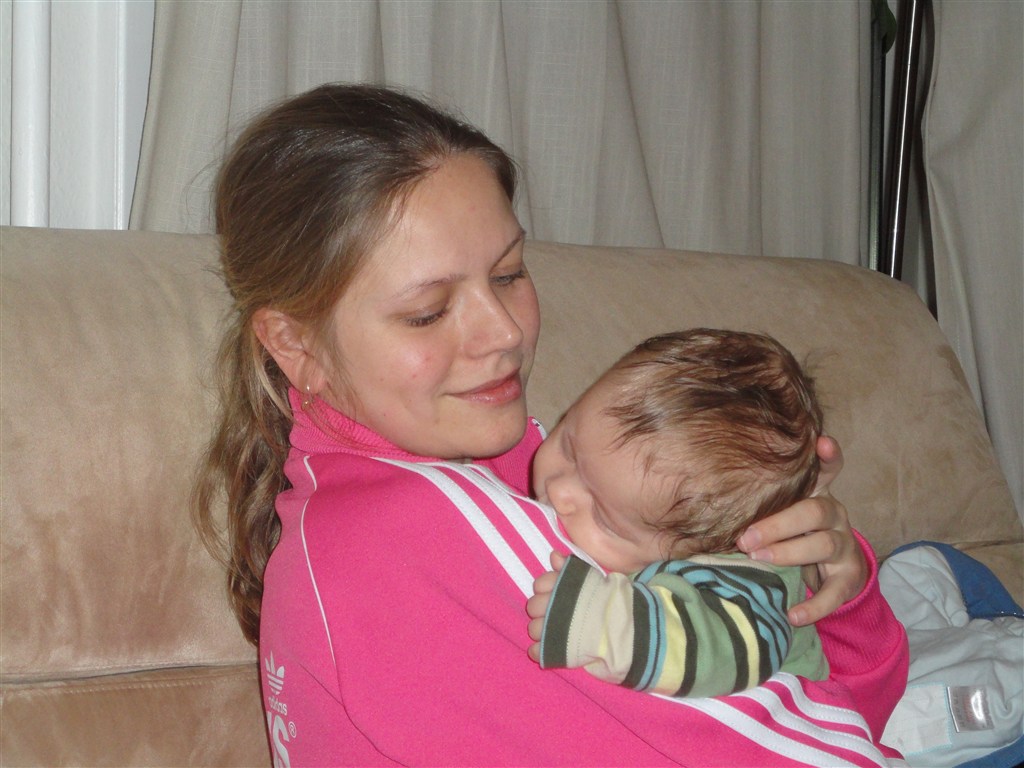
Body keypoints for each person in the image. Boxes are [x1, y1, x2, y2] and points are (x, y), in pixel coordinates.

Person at [192, 83, 908, 766]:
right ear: (297, 346)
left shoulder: (507, 465)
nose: (504, 332)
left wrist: (821, 588)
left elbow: (824, 714)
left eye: (508, 274)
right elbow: (832, 748)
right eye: (427, 313)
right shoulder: (408, 534)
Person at [526, 328, 831, 698]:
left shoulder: (744, 580)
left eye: (604, 518)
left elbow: (736, 646)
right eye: (568, 446)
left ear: (708, 549)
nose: (559, 491)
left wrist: (611, 624)